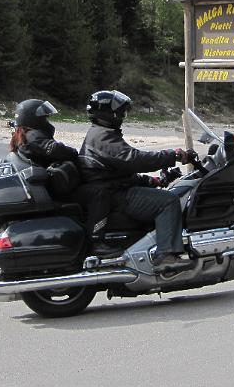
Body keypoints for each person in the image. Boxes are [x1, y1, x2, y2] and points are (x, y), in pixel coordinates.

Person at [77, 90, 195, 272]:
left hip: (114, 189)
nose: (123, 115)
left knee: (164, 195)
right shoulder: (102, 137)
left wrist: (151, 181)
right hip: (116, 195)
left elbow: (121, 170)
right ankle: (166, 255)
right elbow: (134, 159)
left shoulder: (101, 133)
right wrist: (172, 155)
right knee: (168, 201)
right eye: (120, 111)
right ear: (109, 113)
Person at [9, 99, 78, 167]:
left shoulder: (22, 134)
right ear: (33, 119)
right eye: (44, 119)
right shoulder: (33, 136)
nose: (46, 121)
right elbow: (56, 149)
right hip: (41, 173)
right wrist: (75, 153)